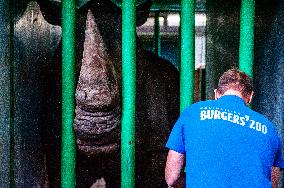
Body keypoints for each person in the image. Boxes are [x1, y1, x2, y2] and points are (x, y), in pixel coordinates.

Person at [165, 69, 284, 187]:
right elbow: (272, 183)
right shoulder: (270, 129)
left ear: (216, 94)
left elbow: (172, 178)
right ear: (250, 97)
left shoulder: (192, 112)